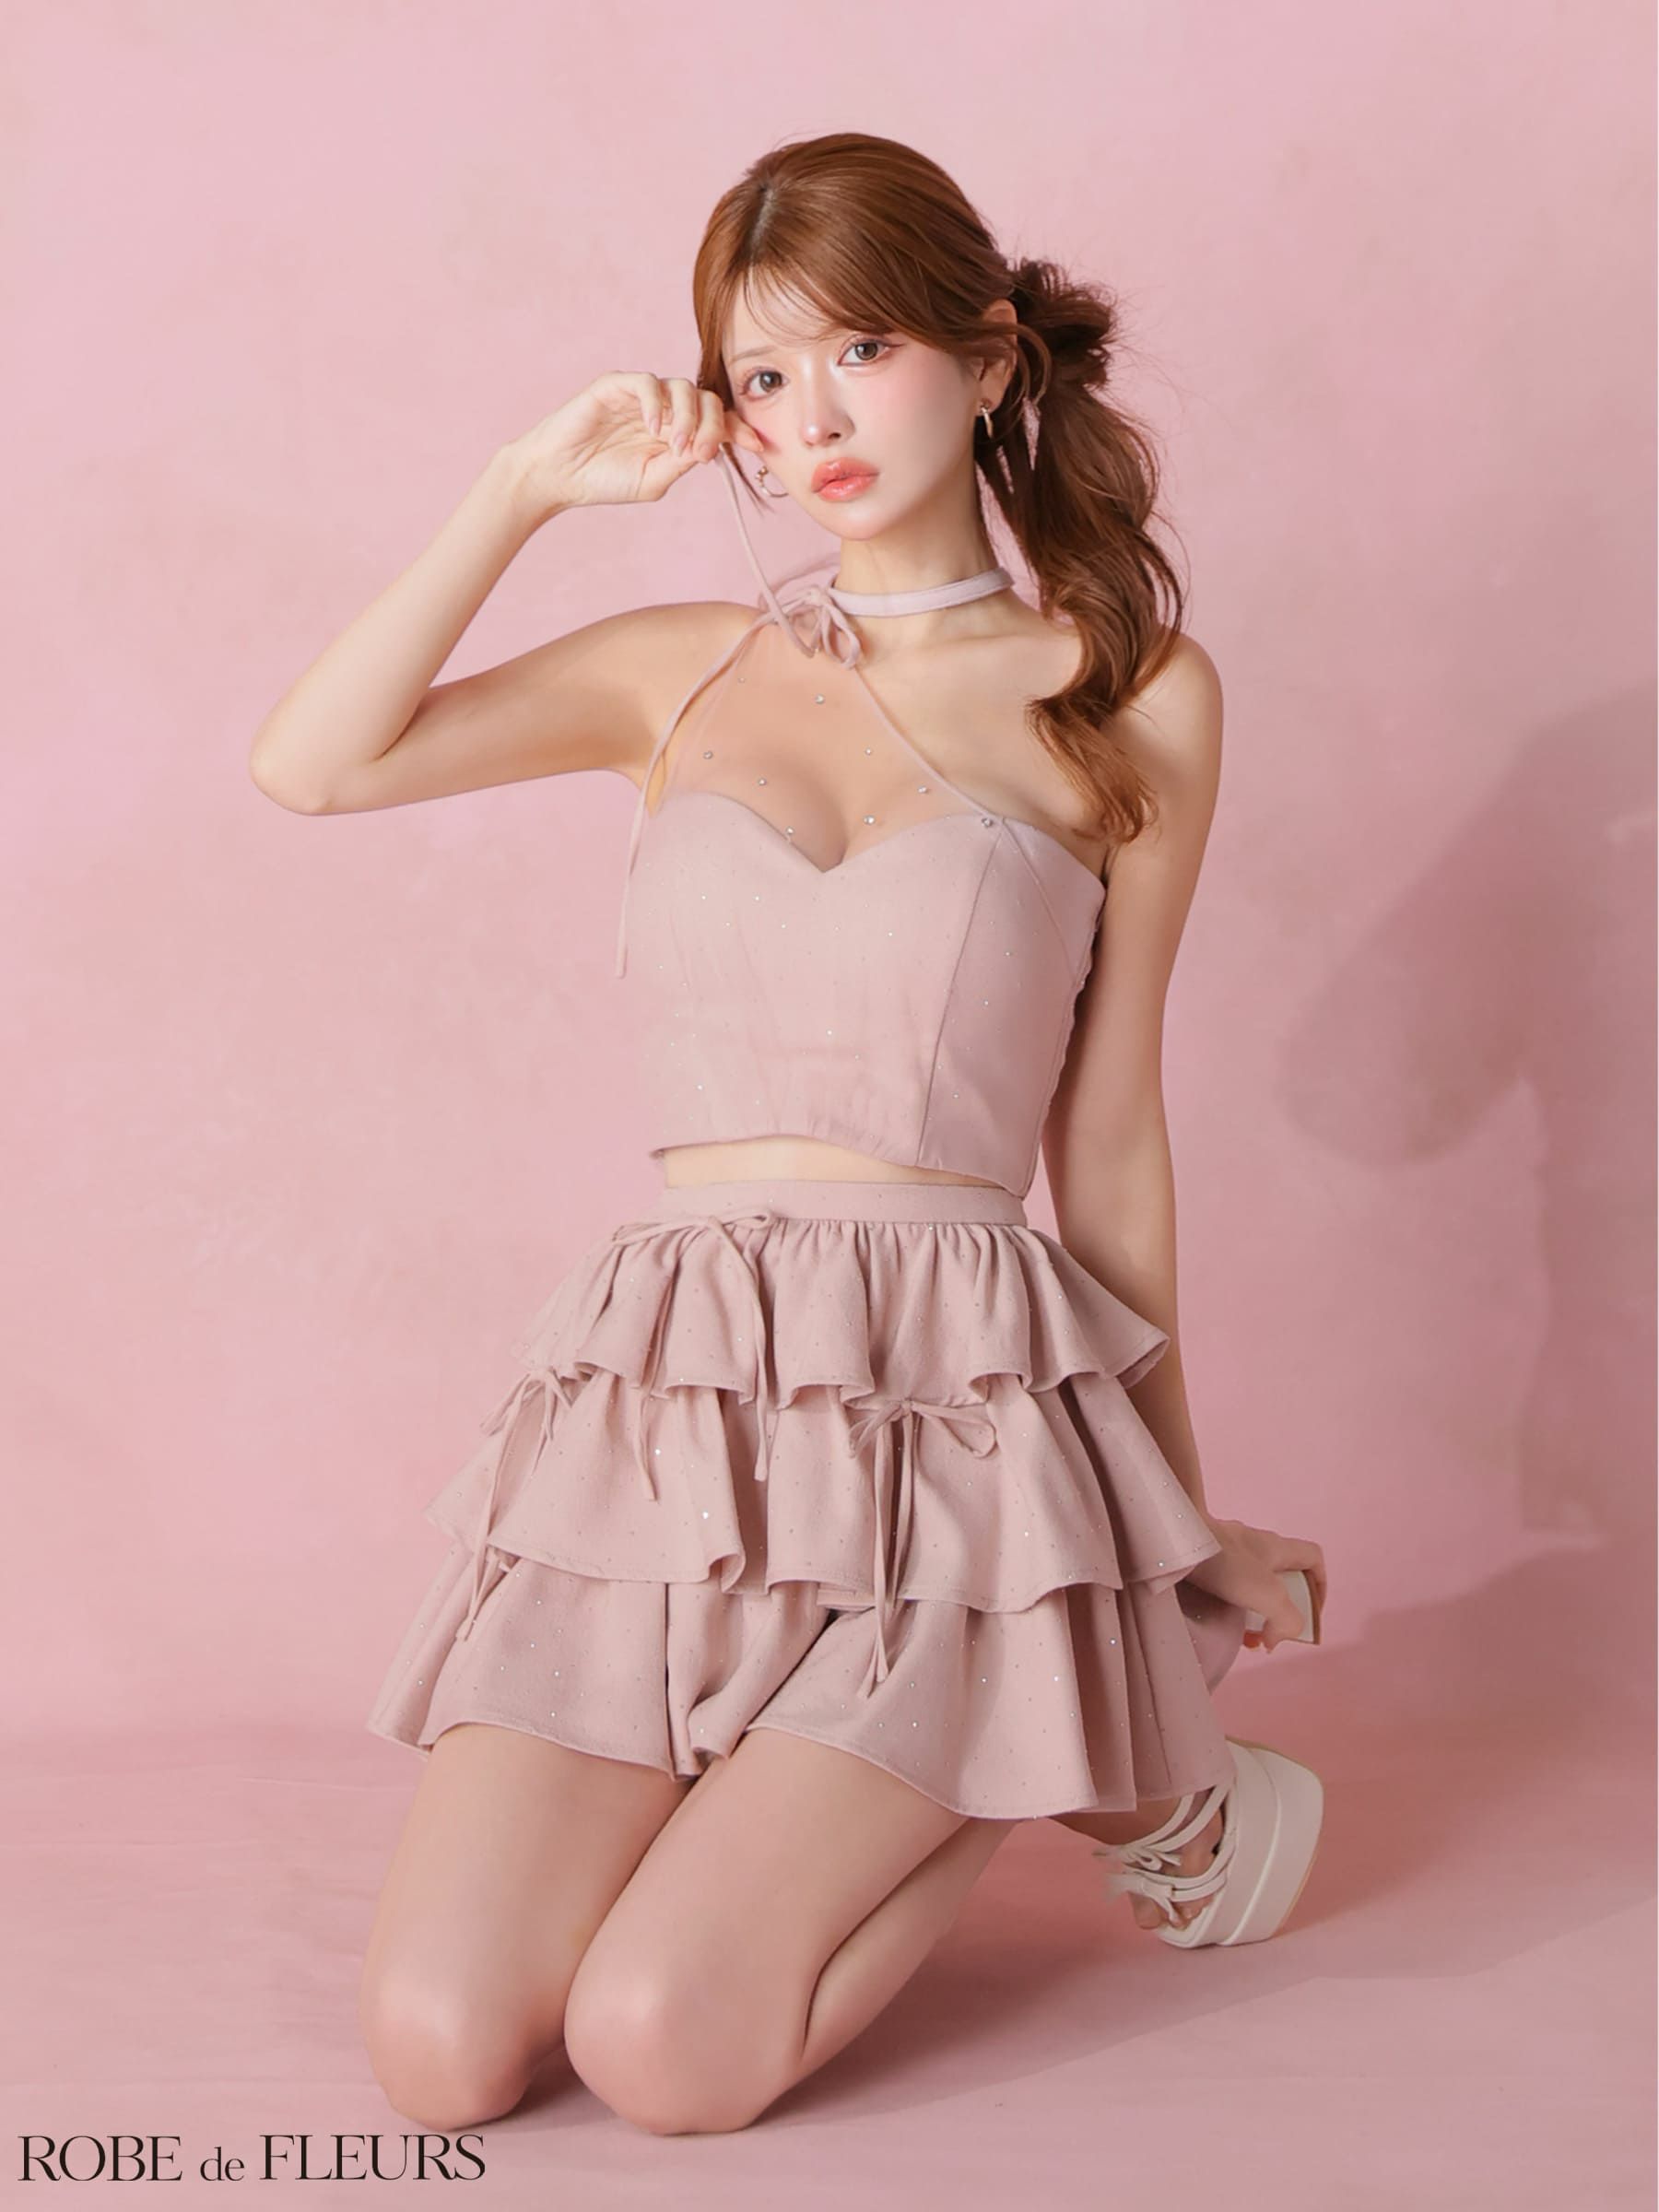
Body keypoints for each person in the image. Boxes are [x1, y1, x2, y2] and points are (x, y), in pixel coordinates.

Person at [251, 131, 1329, 2138]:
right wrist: (521, 489)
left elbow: (1111, 1140)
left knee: (668, 2049)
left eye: (859, 351)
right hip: (675, 1412)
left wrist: (1169, 1536)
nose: (808, 420)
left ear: (988, 359)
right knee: (440, 2047)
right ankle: (957, 1739)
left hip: (969, 1435)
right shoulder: (679, 669)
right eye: (761, 377)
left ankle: (1124, 1733)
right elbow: (314, 764)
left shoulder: (1127, 696)